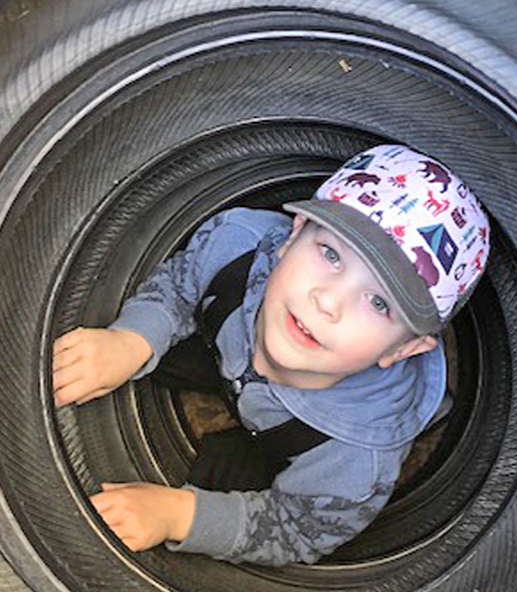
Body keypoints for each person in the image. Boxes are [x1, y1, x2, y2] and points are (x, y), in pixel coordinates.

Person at [51, 144, 491, 565]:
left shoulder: (357, 459)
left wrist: (178, 515)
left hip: (301, 434)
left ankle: (434, 410)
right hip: (234, 349)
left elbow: (297, 527)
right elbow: (183, 283)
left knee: (232, 486)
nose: (328, 300)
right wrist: (132, 339)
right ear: (293, 236)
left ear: (404, 348)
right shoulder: (238, 248)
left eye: (378, 303)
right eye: (331, 254)